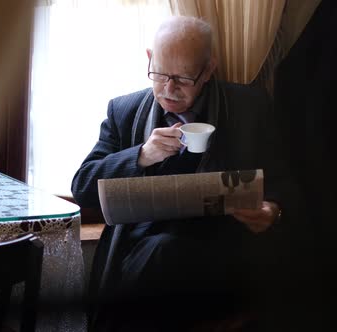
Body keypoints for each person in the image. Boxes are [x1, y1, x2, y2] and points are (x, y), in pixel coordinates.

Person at [71, 16, 289, 331]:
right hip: (140, 254)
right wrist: (142, 155)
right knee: (160, 253)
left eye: (184, 78)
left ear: (208, 70)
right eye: (160, 74)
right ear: (149, 59)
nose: (169, 89)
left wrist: (273, 211)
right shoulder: (125, 111)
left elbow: (284, 182)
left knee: (170, 256)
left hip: (220, 253)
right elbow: (82, 187)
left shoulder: (247, 108)